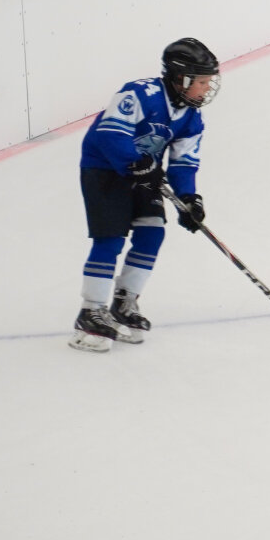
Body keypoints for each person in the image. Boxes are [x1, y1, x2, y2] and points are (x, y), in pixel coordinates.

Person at [71, 38, 218, 351]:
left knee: (152, 233)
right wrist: (134, 163)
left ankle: (124, 301)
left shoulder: (191, 118)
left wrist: (189, 199)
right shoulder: (139, 93)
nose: (207, 89)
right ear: (182, 79)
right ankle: (91, 311)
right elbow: (110, 133)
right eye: (202, 82)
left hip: (143, 173)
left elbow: (184, 162)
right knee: (110, 239)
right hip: (104, 170)